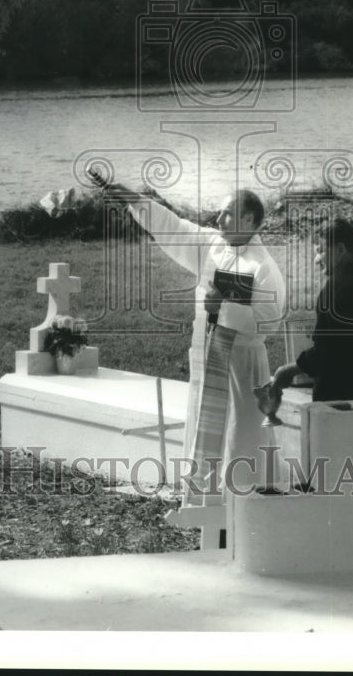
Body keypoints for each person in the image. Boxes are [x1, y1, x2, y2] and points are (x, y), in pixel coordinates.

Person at [100, 178, 286, 507]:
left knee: (240, 433)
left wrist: (224, 308)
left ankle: (245, 502)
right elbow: (173, 226)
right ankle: (204, 502)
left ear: (249, 221)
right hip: (209, 355)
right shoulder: (213, 245)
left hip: (242, 367)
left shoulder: (262, 266)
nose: (218, 220)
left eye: (227, 214)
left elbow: (270, 320)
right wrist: (131, 198)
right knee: (206, 427)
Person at [271, 217, 353, 402]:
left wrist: (290, 369)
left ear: (341, 250)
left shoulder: (332, 293)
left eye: (321, 251)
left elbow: (326, 352)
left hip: (338, 401)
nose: (317, 260)